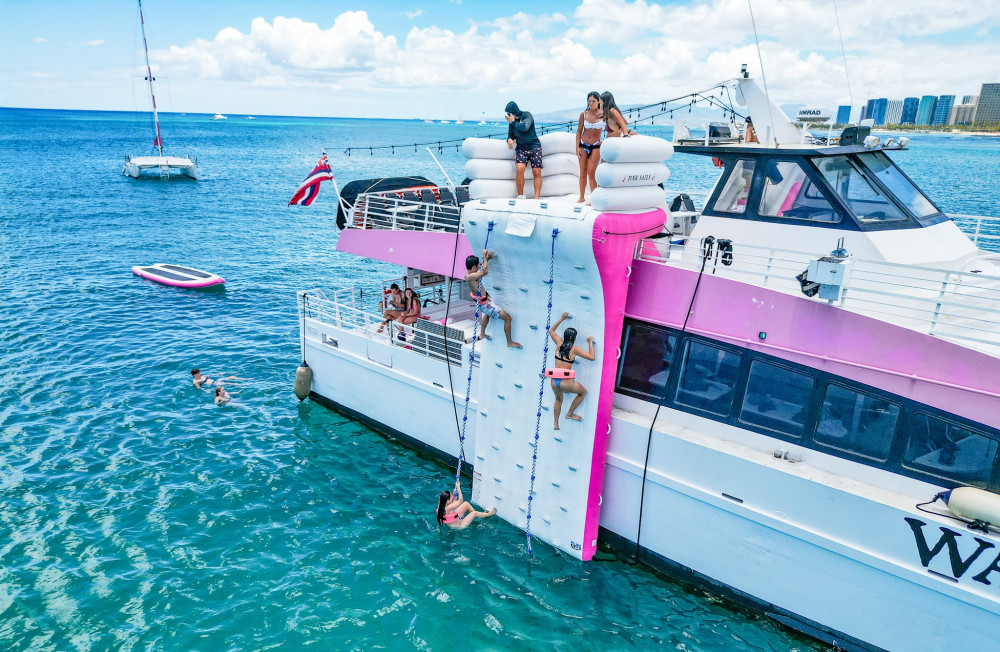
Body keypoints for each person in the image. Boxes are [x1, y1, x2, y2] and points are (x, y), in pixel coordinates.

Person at [547, 312, 596, 429]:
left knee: (558, 399)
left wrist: (562, 318)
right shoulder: (574, 350)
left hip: (554, 381)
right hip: (567, 382)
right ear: (574, 338)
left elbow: (551, 331)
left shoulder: (558, 343)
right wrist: (590, 342)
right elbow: (592, 357)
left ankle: (555, 423)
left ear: (564, 336)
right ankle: (569, 414)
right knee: (583, 393)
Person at [465, 250, 521, 348]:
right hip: (486, 304)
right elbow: (485, 271)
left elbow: (480, 269)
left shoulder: (469, 273)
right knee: (508, 318)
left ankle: (482, 333)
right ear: (474, 267)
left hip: (484, 302)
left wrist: (488, 258)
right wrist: (483, 255)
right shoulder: (471, 277)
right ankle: (509, 342)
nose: (479, 266)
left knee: (487, 314)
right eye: (478, 265)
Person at [505, 101, 543, 199]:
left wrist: (513, 122)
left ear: (513, 112)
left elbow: (525, 127)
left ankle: (536, 197)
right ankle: (521, 196)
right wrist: (509, 139)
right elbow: (511, 134)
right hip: (521, 148)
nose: (508, 115)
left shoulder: (526, 115)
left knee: (536, 171)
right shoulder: (512, 123)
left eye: (509, 113)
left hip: (534, 146)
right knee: (519, 168)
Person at [576, 91, 604, 202]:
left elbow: (611, 126)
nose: (591, 103)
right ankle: (581, 197)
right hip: (583, 144)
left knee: (591, 172)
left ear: (598, 102)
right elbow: (578, 131)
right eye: (589, 101)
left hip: (596, 145)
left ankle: (594, 198)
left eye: (593, 101)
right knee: (582, 172)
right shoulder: (584, 114)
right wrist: (577, 147)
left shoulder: (603, 114)